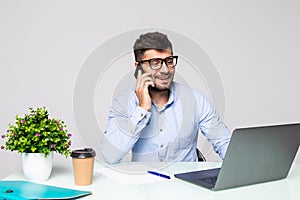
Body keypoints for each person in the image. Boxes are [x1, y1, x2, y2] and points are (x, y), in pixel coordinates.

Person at [100, 31, 231, 163]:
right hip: (145, 181)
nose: (165, 70)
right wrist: (142, 109)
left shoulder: (196, 101)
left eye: (169, 61)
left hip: (186, 182)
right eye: (155, 62)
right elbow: (110, 156)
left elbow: (224, 142)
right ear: (138, 67)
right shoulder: (123, 103)